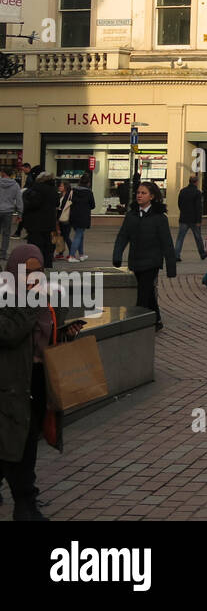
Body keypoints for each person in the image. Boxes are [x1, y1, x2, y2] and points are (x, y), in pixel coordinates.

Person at [1, 245, 53, 521]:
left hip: (36, 380)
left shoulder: (42, 295)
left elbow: (46, 331)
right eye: (27, 271)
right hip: (10, 383)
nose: (33, 276)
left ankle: (25, 500)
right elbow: (8, 333)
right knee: (19, 441)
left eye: (38, 271)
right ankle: (25, 504)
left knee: (26, 438)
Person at [111, 180, 177, 329]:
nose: (139, 196)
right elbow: (122, 236)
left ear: (152, 196)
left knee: (142, 294)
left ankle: (139, 325)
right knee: (147, 292)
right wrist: (117, 256)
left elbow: (167, 243)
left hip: (152, 262)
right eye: (138, 193)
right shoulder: (131, 215)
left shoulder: (160, 218)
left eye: (143, 193)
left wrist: (171, 267)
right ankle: (156, 320)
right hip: (135, 261)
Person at [21, 173, 57, 270]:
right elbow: (57, 203)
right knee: (47, 245)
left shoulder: (36, 189)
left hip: (35, 222)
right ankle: (47, 265)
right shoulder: (53, 190)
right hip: (49, 223)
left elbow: (34, 204)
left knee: (35, 245)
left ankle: (34, 265)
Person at [175, 174, 205, 263]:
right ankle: (202, 253)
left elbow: (179, 203)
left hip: (184, 218)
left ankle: (176, 254)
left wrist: (183, 212)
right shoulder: (197, 192)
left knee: (180, 237)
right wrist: (199, 220)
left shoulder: (183, 191)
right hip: (194, 219)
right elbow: (198, 207)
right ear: (196, 182)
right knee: (198, 237)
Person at [65, 173, 95, 263]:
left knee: (80, 235)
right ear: (88, 183)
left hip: (73, 216)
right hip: (83, 217)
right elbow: (93, 205)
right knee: (78, 235)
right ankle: (72, 255)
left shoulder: (73, 191)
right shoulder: (89, 192)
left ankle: (81, 255)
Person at [0, 166, 21, 259]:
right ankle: (3, 253)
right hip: (8, 212)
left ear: (3, 173)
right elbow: (19, 200)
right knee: (6, 233)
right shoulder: (15, 185)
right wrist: (20, 213)